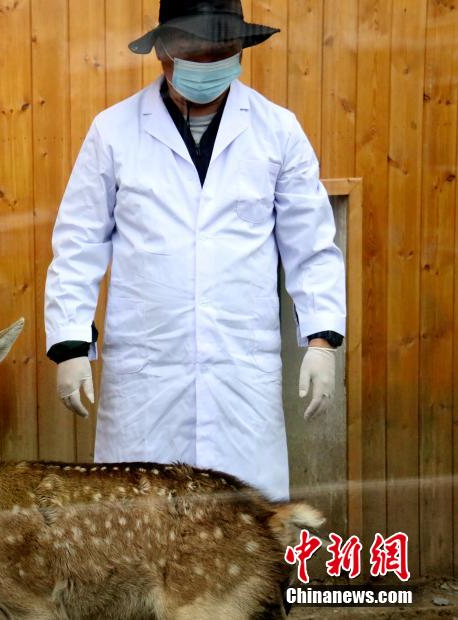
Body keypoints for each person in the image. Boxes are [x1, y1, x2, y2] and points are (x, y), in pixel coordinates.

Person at [44, 0, 346, 502]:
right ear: (162, 51)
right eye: (193, 48)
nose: (206, 61)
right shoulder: (113, 132)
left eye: (219, 49)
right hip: (148, 376)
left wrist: (322, 341)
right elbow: (79, 243)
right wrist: (70, 345)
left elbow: (311, 245)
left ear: (240, 50)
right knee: (142, 522)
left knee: (244, 524)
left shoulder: (277, 130)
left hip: (240, 373)